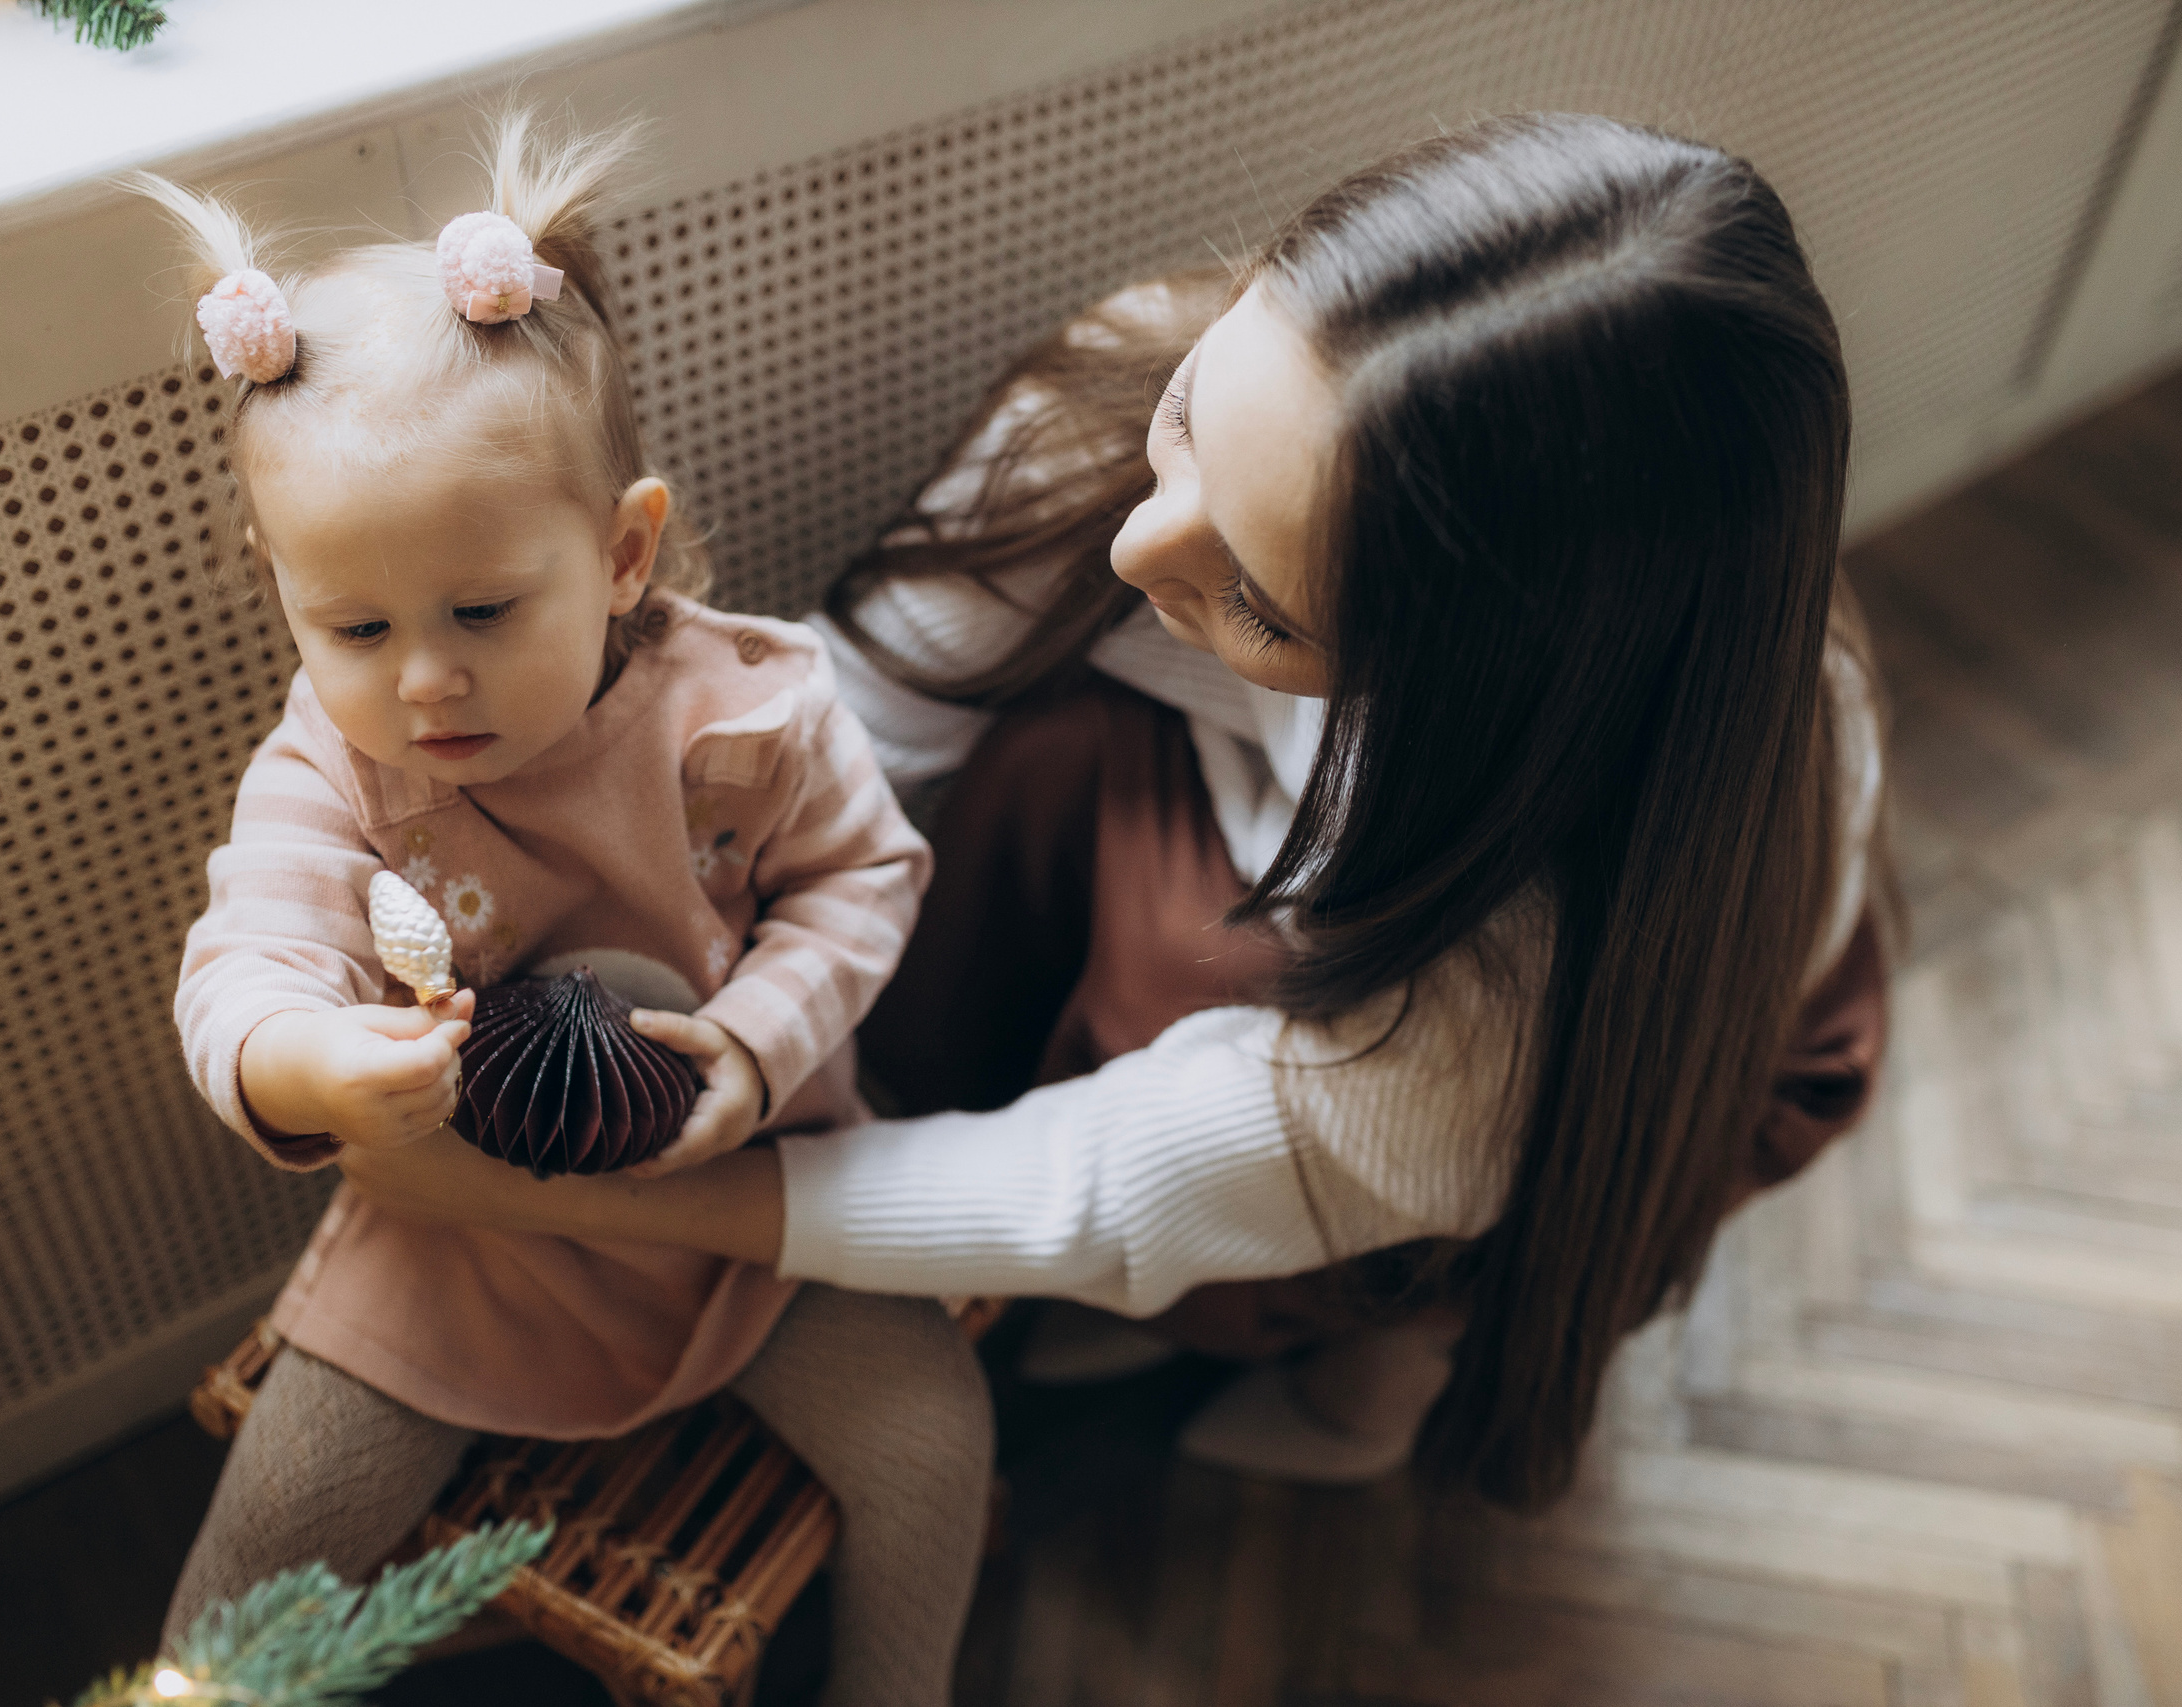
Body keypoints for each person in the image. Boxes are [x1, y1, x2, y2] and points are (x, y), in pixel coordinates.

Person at [336, 113, 1893, 1519]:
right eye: (1193, 420)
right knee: (1046, 760)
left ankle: (1380, 1357)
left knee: (1395, 1231)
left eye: (1264, 606)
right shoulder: (1155, 388)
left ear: (1460, 689)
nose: (1144, 551)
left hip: (1611, 1066)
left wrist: (577, 1199)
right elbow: (861, 736)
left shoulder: (1504, 1001)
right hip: (1343, 891)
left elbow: (1085, 1187)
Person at [143, 115, 988, 1707]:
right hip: (464, 1238)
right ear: (278, 589)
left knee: (933, 1439)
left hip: (747, 1202)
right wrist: (303, 1068)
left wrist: (748, 1049)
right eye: (356, 623)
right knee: (268, 1530)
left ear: (619, 552)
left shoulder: (742, 711)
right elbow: (243, 955)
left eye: (481, 610)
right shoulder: (334, 775)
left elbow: (865, 881)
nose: (424, 677)